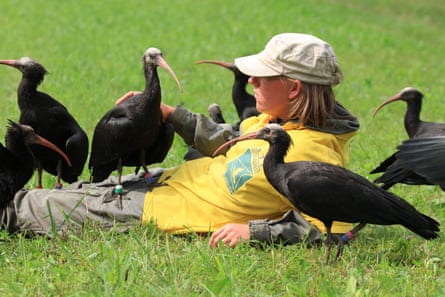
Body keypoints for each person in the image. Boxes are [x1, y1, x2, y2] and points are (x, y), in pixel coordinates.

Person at [0, 33, 359, 248]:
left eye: (263, 77)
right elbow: (227, 140)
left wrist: (254, 232)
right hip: (158, 182)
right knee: (57, 191)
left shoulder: (315, 157)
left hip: (158, 212)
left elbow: (332, 230)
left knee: (22, 208)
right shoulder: (274, 121)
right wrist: (172, 114)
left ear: (294, 88)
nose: (252, 82)